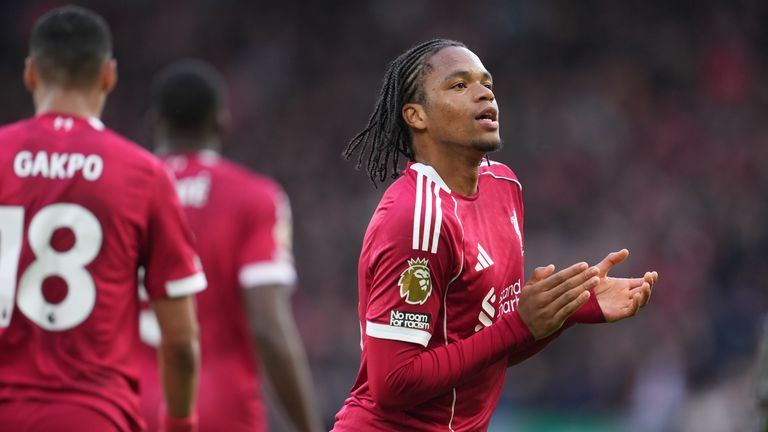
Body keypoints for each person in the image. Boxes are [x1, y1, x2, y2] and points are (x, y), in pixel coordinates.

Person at [332, 39, 659, 431]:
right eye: (459, 85)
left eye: (486, 83)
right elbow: (393, 382)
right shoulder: (416, 219)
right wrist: (518, 325)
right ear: (416, 116)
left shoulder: (504, 186)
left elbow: (484, 349)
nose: (484, 92)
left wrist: (569, 308)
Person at [0, 6, 205, 432]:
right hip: (92, 415)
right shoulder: (143, 174)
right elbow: (181, 341)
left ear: (30, 74)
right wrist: (180, 423)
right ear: (109, 75)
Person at [137, 60, 323, 432]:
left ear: (155, 122)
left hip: (126, 408)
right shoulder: (254, 198)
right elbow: (268, 328)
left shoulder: (119, 192)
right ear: (221, 122)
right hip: (221, 412)